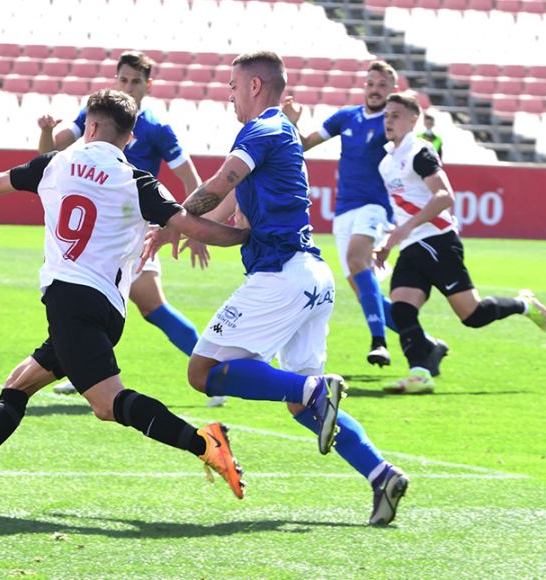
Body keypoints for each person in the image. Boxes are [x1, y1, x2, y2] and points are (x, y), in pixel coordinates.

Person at [0, 89, 250, 502]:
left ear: (89, 125)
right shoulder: (136, 179)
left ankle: (204, 443)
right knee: (19, 384)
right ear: (129, 139)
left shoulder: (57, 162)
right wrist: (247, 235)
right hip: (106, 308)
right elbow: (194, 226)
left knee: (108, 405)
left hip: (71, 302)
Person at [144, 51, 409, 526]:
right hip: (311, 279)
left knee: (203, 371)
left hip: (282, 276)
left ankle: (313, 388)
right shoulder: (276, 139)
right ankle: (380, 473)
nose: (228, 93)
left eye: (232, 85)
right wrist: (177, 227)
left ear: (255, 87)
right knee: (301, 407)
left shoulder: (262, 129)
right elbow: (224, 204)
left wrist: (171, 217)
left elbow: (220, 181)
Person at [38, 50, 228, 408]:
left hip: (132, 231)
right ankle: (83, 371)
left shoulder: (155, 127)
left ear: (148, 85)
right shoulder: (95, 116)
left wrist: (196, 226)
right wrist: (47, 131)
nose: (128, 86)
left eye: (136, 82)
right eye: (123, 80)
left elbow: (191, 179)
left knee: (150, 304)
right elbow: (51, 151)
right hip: (101, 229)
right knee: (90, 297)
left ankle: (213, 374)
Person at [375, 93, 546, 394]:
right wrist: (389, 242)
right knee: (402, 310)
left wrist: (404, 228)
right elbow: (403, 210)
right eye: (386, 115)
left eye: (395, 115)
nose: (389, 120)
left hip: (439, 242)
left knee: (472, 316)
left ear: (413, 120)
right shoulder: (385, 162)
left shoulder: (420, 151)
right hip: (412, 246)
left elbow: (445, 196)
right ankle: (419, 373)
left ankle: (525, 306)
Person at [283, 61, 409, 369]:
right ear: (364, 86)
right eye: (371, 83)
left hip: (375, 206)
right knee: (361, 288)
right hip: (344, 210)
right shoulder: (346, 117)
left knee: (356, 259)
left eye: (382, 85)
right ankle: (420, 340)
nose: (375, 90)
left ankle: (379, 342)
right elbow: (303, 145)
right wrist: (291, 122)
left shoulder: (391, 124)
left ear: (392, 91)